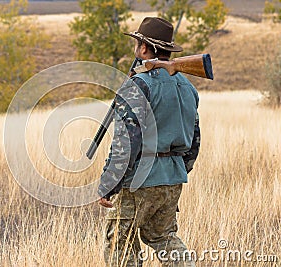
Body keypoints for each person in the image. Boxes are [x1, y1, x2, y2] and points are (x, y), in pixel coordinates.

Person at [97, 17, 200, 267]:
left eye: (137, 44)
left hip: (139, 181)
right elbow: (195, 139)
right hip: (173, 178)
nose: (136, 49)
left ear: (144, 49)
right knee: (163, 237)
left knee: (119, 243)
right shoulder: (187, 86)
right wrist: (178, 169)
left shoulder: (138, 86)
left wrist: (108, 183)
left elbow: (126, 143)